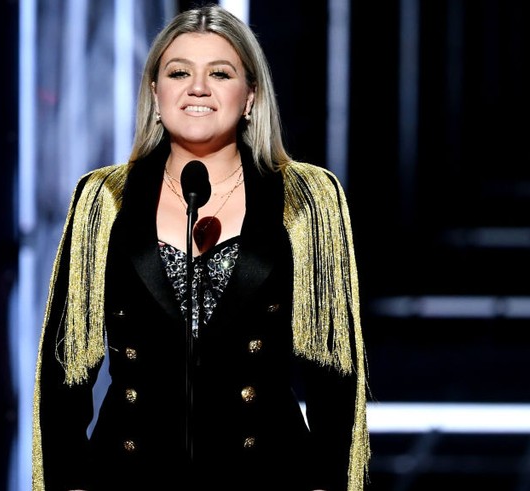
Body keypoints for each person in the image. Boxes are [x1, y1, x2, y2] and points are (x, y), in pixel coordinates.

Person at [33, 4, 369, 490]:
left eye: (220, 73)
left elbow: (336, 383)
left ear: (250, 95)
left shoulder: (306, 199)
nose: (198, 88)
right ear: (155, 91)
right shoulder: (103, 199)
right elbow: (63, 380)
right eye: (178, 72)